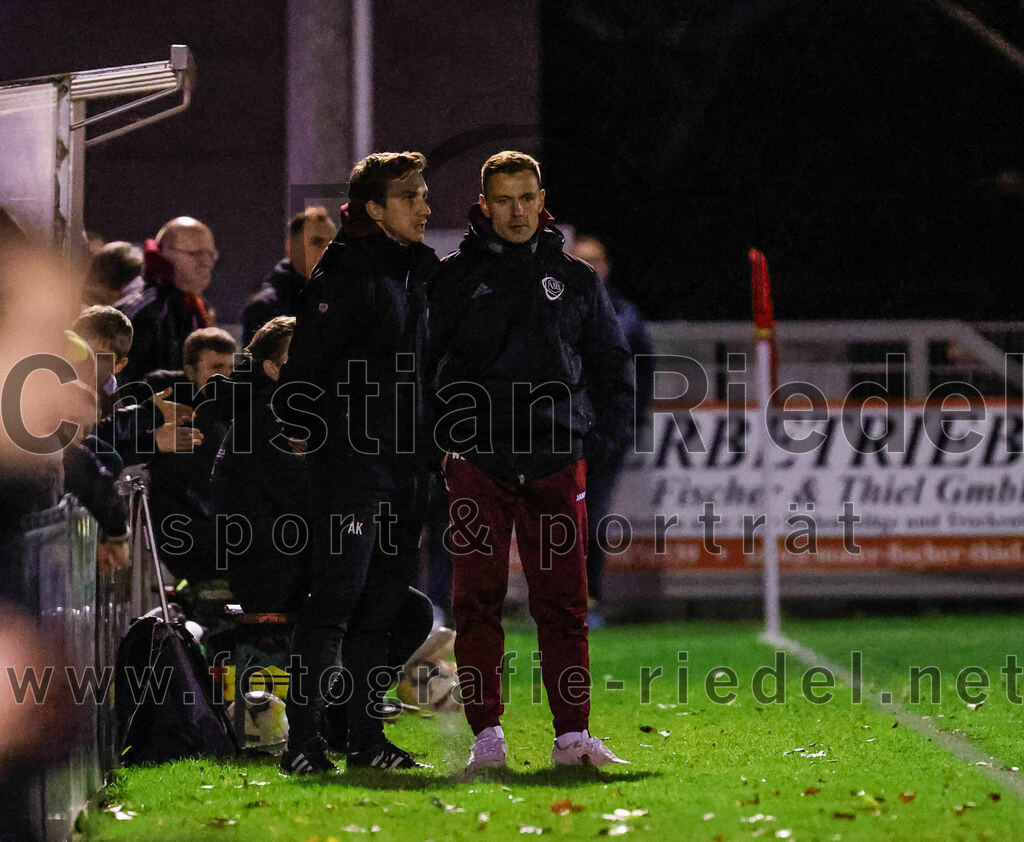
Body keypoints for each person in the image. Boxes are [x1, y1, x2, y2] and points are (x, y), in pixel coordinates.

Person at [427, 151, 635, 772]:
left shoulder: (574, 279)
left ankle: (572, 737)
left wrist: (594, 444)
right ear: (483, 204)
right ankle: (486, 736)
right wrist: (443, 442)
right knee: (476, 603)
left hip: (554, 462)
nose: (516, 212)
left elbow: (612, 367)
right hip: (480, 463)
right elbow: (419, 368)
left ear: (541, 200)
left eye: (526, 198)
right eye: (503, 199)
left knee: (564, 605)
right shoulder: (454, 278)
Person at [274, 151, 438, 774]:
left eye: (424, 194)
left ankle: (367, 742)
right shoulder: (345, 271)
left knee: (381, 607)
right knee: (334, 604)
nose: (425, 207)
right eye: (411, 197)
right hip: (352, 466)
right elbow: (304, 373)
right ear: (375, 208)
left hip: (404, 467)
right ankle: (302, 744)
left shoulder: (415, 270)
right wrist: (327, 446)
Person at [568, 235, 655, 624]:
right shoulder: (558, 307)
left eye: (595, 261)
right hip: (563, 431)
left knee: (594, 516)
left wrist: (630, 417)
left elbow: (646, 369)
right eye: (581, 261)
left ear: (606, 265)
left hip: (606, 434)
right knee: (559, 518)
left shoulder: (626, 314)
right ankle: (556, 602)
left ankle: (589, 601)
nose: (590, 269)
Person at [115, 216, 218, 387]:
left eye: (210, 254)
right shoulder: (144, 311)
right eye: (195, 253)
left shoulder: (194, 307)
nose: (206, 262)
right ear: (164, 255)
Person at [241, 207, 337, 345]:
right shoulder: (264, 309)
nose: (328, 250)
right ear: (291, 246)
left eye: (333, 243)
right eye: (317, 242)